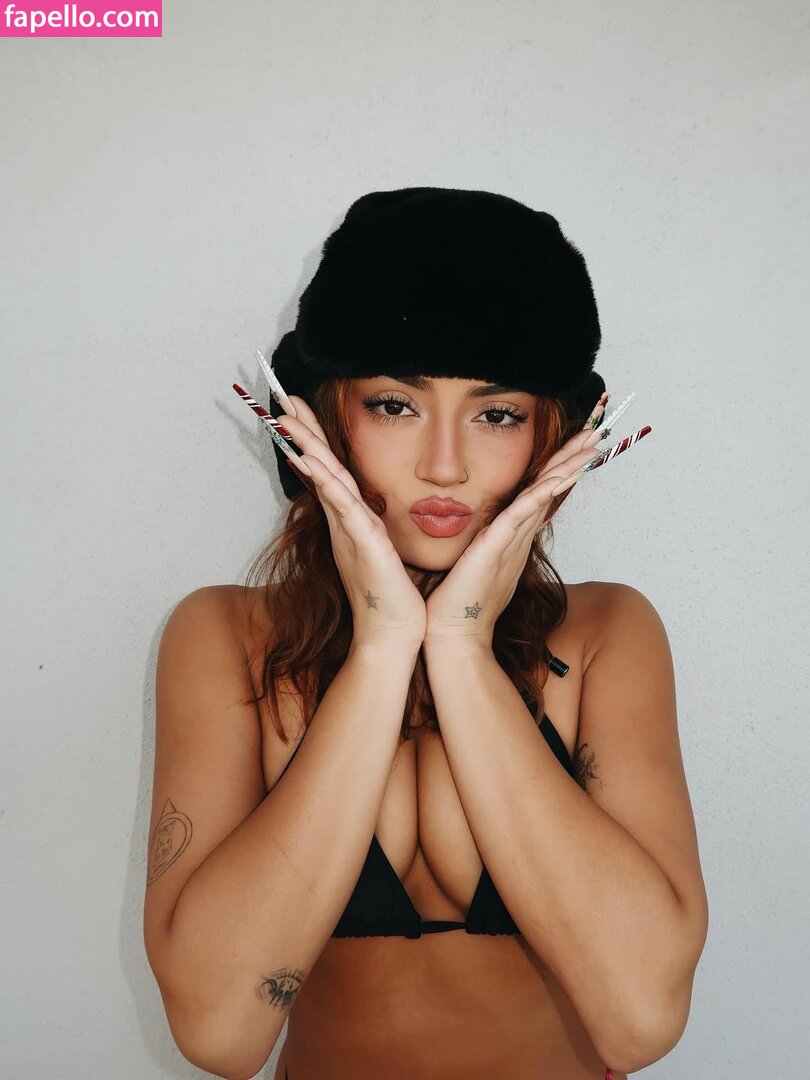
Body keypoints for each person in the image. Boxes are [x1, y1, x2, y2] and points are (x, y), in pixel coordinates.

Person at [143, 188, 708, 1080]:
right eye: (394, 406)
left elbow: (640, 1021)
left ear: (552, 433)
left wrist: (462, 645)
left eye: (496, 414)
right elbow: (220, 1035)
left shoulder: (608, 635)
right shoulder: (225, 639)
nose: (444, 465)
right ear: (323, 416)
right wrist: (379, 649)